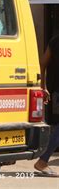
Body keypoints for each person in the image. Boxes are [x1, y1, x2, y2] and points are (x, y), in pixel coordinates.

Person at [34, 35, 59, 177]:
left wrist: (43, 87)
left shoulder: (54, 40)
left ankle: (43, 160)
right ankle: (43, 161)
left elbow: (42, 63)